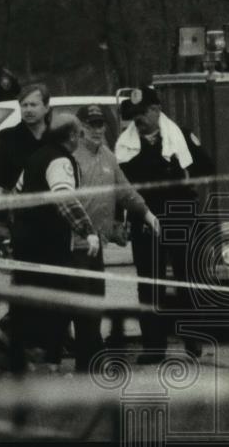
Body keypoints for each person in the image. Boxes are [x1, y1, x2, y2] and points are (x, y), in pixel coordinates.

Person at [115, 86, 214, 363]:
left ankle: (192, 338)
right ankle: (154, 346)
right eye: (134, 115)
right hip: (145, 216)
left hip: (179, 212)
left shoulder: (179, 136)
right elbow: (118, 184)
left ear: (157, 110)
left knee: (186, 278)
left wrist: (184, 172)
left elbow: (206, 167)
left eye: (143, 113)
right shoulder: (125, 145)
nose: (138, 120)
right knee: (149, 282)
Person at [70, 104, 159, 372]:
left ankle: (89, 362)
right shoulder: (71, 157)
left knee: (96, 301)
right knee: (80, 303)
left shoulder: (108, 157)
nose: (96, 130)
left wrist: (148, 215)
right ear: (79, 127)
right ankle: (84, 361)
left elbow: (126, 192)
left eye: (100, 125)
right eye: (90, 124)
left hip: (97, 244)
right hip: (73, 243)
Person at [10, 113, 100, 373]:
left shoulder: (35, 157)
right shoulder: (61, 160)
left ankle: (44, 362)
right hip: (50, 244)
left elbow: (16, 195)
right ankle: (55, 363)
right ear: (72, 135)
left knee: (39, 305)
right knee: (63, 302)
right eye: (79, 134)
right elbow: (64, 198)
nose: (80, 139)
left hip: (27, 242)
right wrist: (87, 230)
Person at [0, 83, 52, 191]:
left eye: (33, 105)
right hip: (16, 204)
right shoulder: (6, 138)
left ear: (46, 108)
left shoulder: (57, 136)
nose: (28, 110)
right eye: (24, 105)